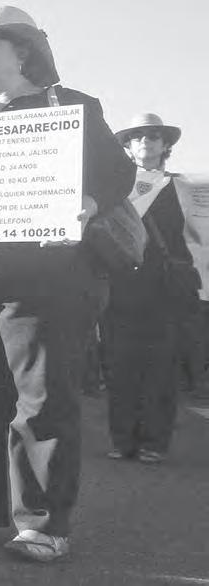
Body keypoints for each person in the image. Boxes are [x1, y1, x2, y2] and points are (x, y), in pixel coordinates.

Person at [0, 6, 134, 563]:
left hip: (46, 275)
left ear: (24, 52)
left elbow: (117, 173)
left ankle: (42, 523)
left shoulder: (74, 106)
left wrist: (88, 201)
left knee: (42, 398)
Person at [104, 113, 200, 464]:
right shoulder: (113, 188)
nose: (146, 140)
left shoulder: (183, 188)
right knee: (119, 365)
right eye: (139, 136)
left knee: (161, 367)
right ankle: (122, 439)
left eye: (154, 136)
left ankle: (154, 441)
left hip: (165, 288)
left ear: (165, 146)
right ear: (128, 147)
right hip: (120, 286)